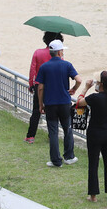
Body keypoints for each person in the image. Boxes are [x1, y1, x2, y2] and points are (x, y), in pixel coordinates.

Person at [74, 71, 107, 202]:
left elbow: (79, 102)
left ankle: (93, 195)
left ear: (100, 83)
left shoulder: (95, 97)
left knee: (93, 163)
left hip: (95, 133)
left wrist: (85, 88)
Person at [35, 39, 82, 167]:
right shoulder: (67, 65)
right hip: (64, 102)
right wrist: (73, 89)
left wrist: (40, 104)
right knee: (67, 129)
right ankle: (69, 156)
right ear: (60, 52)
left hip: (50, 103)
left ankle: (56, 160)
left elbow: (40, 88)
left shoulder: (44, 67)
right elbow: (79, 79)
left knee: (53, 131)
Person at [26, 31, 63, 143]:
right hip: (54, 87)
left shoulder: (37, 52)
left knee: (36, 111)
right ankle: (52, 135)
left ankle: (30, 136)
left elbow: (33, 70)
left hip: (39, 86)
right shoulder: (59, 55)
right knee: (52, 112)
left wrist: (31, 84)